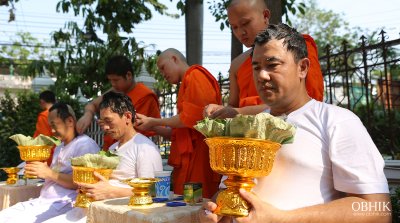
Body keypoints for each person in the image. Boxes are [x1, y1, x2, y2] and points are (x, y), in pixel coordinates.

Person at [200, 23, 391, 223]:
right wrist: (214, 211)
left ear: (302, 68)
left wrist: (282, 219)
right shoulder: (247, 128)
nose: (262, 75)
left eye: (272, 65)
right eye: (256, 67)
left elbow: (378, 210)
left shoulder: (336, 121)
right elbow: (228, 192)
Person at [44, 91, 163, 223]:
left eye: (109, 121)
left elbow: (154, 193)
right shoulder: (112, 149)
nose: (105, 127)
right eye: (102, 122)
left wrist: (112, 191)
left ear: (128, 117)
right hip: (95, 210)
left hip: (124, 215)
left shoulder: (144, 148)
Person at [204, 0, 324, 119]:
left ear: (265, 16)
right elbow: (232, 106)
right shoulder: (236, 65)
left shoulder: (294, 48)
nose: (241, 32)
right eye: (234, 27)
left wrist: (240, 112)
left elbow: (308, 102)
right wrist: (219, 111)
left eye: (245, 23)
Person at [135, 48, 222, 199]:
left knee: (197, 208)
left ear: (174, 59)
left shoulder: (195, 75)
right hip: (187, 163)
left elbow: (190, 119)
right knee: (187, 207)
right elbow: (178, 133)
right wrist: (151, 125)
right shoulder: (186, 84)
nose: (163, 74)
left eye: (163, 67)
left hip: (200, 159)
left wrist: (153, 121)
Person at [0, 102, 100, 223]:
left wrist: (49, 173)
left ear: (69, 121)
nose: (51, 130)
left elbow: (85, 184)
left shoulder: (85, 144)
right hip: (43, 201)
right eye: (50, 125)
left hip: (64, 204)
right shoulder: (59, 147)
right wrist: (42, 172)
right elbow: (52, 174)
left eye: (54, 125)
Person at [76, 55, 161, 149]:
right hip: (112, 148)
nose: (113, 84)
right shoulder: (115, 91)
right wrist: (88, 115)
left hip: (135, 149)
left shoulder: (145, 96)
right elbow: (92, 104)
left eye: (116, 80)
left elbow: (132, 128)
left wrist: (108, 122)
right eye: (110, 80)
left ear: (128, 75)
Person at [33, 90, 57, 165]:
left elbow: (45, 138)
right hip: (63, 149)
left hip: (49, 154)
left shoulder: (44, 116)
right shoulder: (62, 113)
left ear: (42, 101)